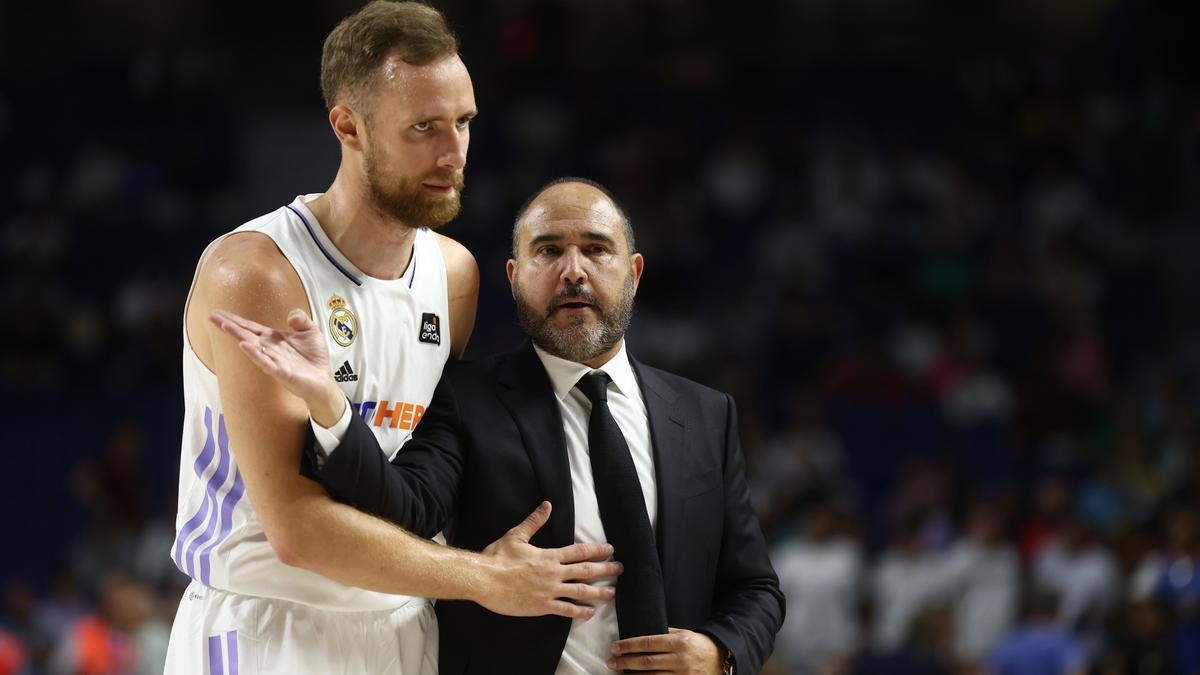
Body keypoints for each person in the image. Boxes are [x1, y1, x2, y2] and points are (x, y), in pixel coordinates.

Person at [168, 4, 620, 674]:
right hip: (270, 624)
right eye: (424, 128)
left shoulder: (454, 274)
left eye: (463, 122)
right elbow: (297, 529)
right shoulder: (258, 273)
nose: (454, 151)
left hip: (406, 623)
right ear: (347, 126)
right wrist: (485, 577)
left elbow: (420, 480)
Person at [213, 178, 786, 673]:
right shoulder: (468, 398)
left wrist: (722, 653)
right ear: (514, 276)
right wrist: (330, 406)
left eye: (596, 249)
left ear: (634, 272)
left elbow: (755, 587)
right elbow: (404, 508)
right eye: (548, 250)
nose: (573, 271)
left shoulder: (708, 415)